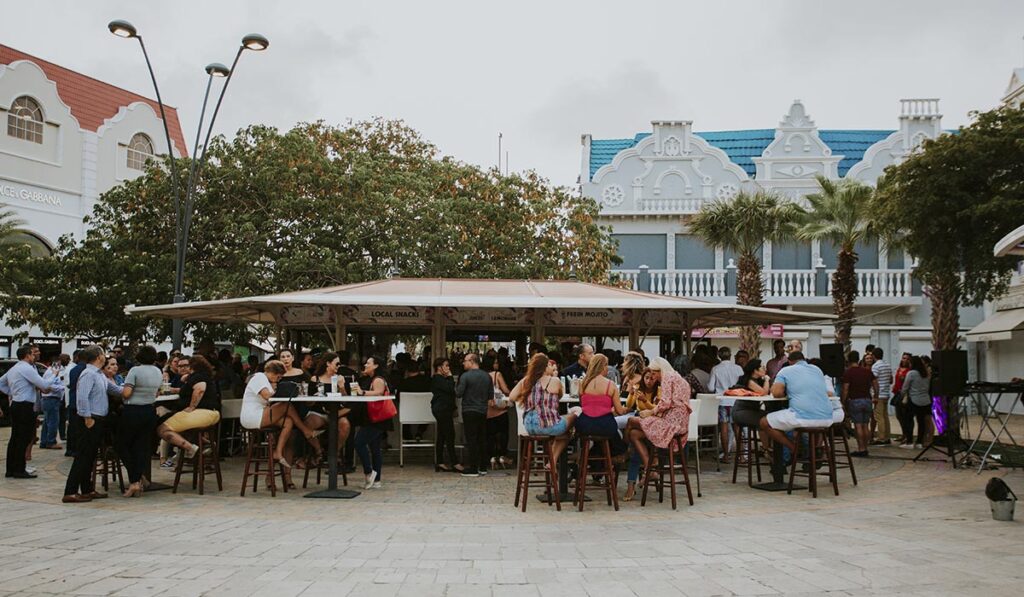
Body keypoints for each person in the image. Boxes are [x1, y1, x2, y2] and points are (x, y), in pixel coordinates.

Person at [240, 359, 322, 477]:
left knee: (288, 422)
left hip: (260, 413)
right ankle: (306, 431)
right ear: (273, 373)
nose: (278, 380)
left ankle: (278, 452)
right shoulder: (259, 377)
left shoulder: (266, 381)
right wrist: (277, 390)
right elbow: (267, 396)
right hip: (252, 415)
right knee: (286, 405)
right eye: (278, 377)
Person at [508, 353, 577, 480]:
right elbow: (560, 396)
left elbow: (512, 397)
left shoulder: (526, 381)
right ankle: (553, 461)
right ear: (545, 367)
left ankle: (552, 460)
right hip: (548, 425)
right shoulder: (554, 381)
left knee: (563, 434)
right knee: (573, 417)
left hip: (529, 427)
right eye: (549, 365)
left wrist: (527, 395)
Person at [624, 357, 692, 478]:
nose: (654, 377)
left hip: (670, 424)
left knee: (631, 421)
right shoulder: (678, 378)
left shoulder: (667, 377)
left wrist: (650, 412)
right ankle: (650, 469)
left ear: (661, 370)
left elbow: (665, 403)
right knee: (634, 434)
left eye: (655, 374)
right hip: (681, 425)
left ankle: (624, 453)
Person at [0, 345, 59, 479]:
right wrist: (54, 375)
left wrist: (13, 392)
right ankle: (19, 469)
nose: (35, 356)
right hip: (24, 405)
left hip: (16, 403)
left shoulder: (14, 368)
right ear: (27, 355)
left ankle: (11, 468)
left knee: (15, 437)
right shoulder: (26, 368)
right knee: (23, 437)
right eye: (33, 354)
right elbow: (43, 384)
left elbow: (1, 383)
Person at [758, 351, 833, 453]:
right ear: (804, 360)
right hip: (827, 417)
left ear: (789, 361)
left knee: (764, 422)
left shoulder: (785, 370)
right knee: (794, 426)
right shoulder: (817, 370)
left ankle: (794, 448)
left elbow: (777, 393)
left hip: (803, 417)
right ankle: (813, 451)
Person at [63, 345, 111, 502]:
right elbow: (82, 398)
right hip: (89, 419)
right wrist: (87, 418)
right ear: (98, 357)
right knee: (83, 456)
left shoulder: (99, 374)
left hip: (98, 419)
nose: (106, 356)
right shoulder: (88, 374)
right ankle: (70, 491)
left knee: (89, 456)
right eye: (103, 353)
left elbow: (114, 389)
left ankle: (87, 489)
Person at [156, 355, 222, 466]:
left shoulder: (197, 376)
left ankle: (191, 449)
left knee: (161, 428)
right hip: (212, 413)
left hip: (202, 413)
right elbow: (189, 389)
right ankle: (206, 444)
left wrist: (192, 406)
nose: (183, 368)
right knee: (171, 421)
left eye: (187, 365)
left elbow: (200, 388)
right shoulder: (202, 375)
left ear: (193, 366)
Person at [117, 345, 162, 497]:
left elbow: (127, 393)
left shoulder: (135, 371)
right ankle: (139, 477)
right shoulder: (158, 371)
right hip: (149, 411)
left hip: (132, 411)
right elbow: (157, 393)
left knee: (122, 445)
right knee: (142, 447)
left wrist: (121, 392)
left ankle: (135, 480)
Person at [349, 356, 394, 489]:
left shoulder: (378, 379)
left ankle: (369, 472)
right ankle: (376, 480)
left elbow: (379, 393)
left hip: (376, 418)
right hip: (375, 418)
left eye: (368, 363)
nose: (365, 365)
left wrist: (362, 392)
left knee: (359, 442)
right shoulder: (369, 379)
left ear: (375, 366)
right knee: (375, 448)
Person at [575, 354, 628, 460]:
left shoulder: (583, 383)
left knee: (594, 437)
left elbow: (583, 405)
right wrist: (626, 409)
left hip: (585, 424)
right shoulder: (611, 385)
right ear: (604, 366)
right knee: (615, 439)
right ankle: (606, 461)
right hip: (605, 424)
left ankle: (594, 461)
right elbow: (619, 411)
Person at [305, 352, 352, 464]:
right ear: (328, 363)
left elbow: (346, 401)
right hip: (319, 412)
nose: (339, 366)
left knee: (345, 425)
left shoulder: (340, 379)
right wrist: (314, 398)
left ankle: (335, 452)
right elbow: (308, 403)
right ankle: (318, 450)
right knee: (307, 424)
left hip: (336, 412)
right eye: (337, 364)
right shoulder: (315, 379)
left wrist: (342, 387)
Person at [457, 353, 493, 476]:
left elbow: (459, 393)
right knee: (482, 439)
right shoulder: (487, 376)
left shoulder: (465, 376)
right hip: (482, 411)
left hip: (469, 410)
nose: (463, 363)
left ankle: (473, 468)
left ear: (472, 361)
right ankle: (483, 467)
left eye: (465, 361)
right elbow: (490, 395)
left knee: (471, 439)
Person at [709, 347, 744, 463]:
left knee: (723, 428)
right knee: (737, 428)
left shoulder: (715, 369)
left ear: (719, 356)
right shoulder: (738, 368)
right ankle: (741, 456)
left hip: (723, 401)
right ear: (730, 355)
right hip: (736, 401)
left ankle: (726, 456)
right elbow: (743, 384)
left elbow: (710, 387)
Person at [841, 350, 877, 457]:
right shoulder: (867, 371)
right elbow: (875, 384)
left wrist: (843, 401)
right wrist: (876, 396)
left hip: (855, 400)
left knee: (858, 425)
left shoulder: (848, 372)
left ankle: (861, 448)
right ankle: (865, 447)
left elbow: (845, 389)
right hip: (867, 399)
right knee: (865, 424)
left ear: (848, 360)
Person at [430, 357, 462, 472]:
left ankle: (440, 462)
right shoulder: (437, 378)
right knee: (450, 434)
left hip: (444, 409)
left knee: (442, 435)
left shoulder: (440, 379)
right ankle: (455, 462)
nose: (448, 368)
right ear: (439, 367)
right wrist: (449, 376)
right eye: (446, 366)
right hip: (441, 409)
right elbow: (450, 388)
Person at [483, 355, 513, 470]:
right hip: (500, 410)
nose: (497, 364)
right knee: (503, 434)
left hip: (488, 410)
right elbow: (505, 390)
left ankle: (491, 457)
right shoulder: (497, 374)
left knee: (490, 435)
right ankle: (502, 456)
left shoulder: (483, 375)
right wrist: (512, 394)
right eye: (495, 362)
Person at [898, 356, 932, 449]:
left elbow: (905, 387)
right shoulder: (926, 373)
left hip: (914, 400)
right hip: (925, 400)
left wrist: (901, 396)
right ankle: (919, 442)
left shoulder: (911, 373)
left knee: (909, 420)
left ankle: (909, 441)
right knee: (921, 422)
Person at [39, 356, 66, 450]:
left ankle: (44, 441)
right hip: (51, 399)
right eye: (58, 364)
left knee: (47, 422)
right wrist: (63, 388)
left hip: (51, 399)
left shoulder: (53, 373)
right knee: (53, 422)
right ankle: (51, 441)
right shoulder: (51, 373)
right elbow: (49, 385)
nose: (59, 366)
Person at [65, 351, 88, 457]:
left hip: (73, 401)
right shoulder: (86, 370)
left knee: (72, 427)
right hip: (80, 402)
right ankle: (76, 449)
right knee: (78, 428)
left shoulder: (74, 369)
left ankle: (70, 449)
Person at [871, 347, 893, 445]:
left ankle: (881, 438)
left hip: (879, 394)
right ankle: (887, 436)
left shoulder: (875, 366)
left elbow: (873, 380)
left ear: (874, 356)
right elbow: (891, 380)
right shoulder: (887, 365)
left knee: (879, 417)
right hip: (886, 393)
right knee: (885, 416)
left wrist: (874, 394)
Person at [892, 352, 912, 445]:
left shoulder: (909, 370)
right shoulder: (899, 369)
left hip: (905, 395)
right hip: (897, 394)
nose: (905, 360)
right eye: (903, 358)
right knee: (899, 415)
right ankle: (904, 434)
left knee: (905, 416)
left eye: (907, 359)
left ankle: (907, 435)